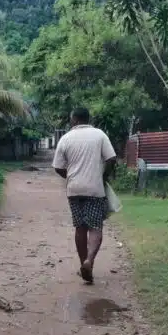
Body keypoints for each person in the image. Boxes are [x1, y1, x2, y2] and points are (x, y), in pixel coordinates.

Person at [52, 108, 117, 284]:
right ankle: (89, 261)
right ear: (89, 119)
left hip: (74, 189)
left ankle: (83, 264)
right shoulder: (99, 135)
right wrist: (103, 176)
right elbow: (111, 158)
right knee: (95, 226)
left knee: (80, 227)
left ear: (73, 120)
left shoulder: (65, 138)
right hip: (95, 189)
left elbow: (57, 167)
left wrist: (70, 177)